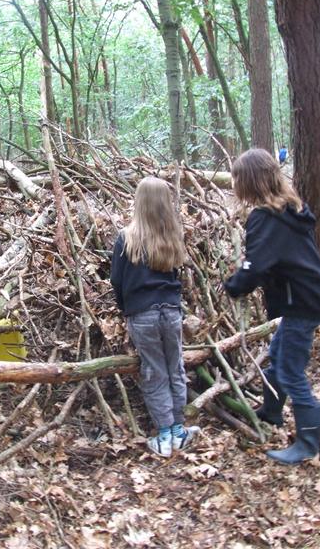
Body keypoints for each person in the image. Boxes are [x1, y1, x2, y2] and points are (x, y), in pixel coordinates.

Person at [223, 148, 320, 465]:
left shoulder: (266, 218)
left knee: (290, 369)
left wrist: (234, 285)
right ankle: (271, 412)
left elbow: (256, 265)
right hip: (309, 295)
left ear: (249, 182)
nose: (234, 184)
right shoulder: (288, 209)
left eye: (237, 179)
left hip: (302, 301)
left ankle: (308, 442)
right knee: (278, 354)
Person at [110, 177, 200, 457]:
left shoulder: (126, 238)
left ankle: (164, 436)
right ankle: (178, 431)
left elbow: (116, 280)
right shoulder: (172, 237)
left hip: (142, 315)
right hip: (171, 312)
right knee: (175, 368)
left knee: (154, 371)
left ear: (139, 202)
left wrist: (127, 309)